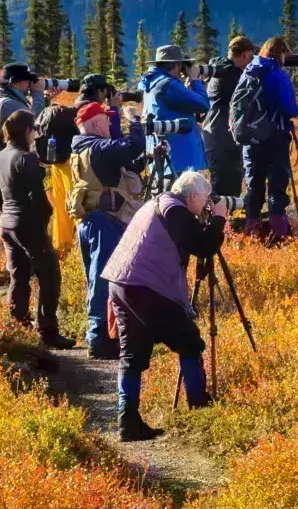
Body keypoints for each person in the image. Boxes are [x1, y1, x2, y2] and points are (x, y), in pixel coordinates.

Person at [102, 168, 226, 441]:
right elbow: (203, 245)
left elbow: (190, 239)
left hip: (121, 283)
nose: (204, 206)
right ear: (193, 195)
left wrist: (208, 220)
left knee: (132, 353)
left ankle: (128, 422)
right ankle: (199, 408)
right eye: (204, 200)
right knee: (190, 342)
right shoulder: (175, 209)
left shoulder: (158, 202)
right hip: (147, 288)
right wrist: (219, 217)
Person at [70, 96, 148, 358]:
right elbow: (133, 145)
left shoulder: (81, 149)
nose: (109, 124)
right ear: (94, 123)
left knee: (96, 277)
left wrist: (146, 160)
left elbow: (121, 166)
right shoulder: (100, 149)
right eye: (105, 119)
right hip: (104, 223)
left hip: (90, 221)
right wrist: (135, 120)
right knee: (104, 279)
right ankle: (100, 338)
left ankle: (101, 334)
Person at [0, 109, 75, 348]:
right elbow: (38, 198)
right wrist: (44, 216)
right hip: (27, 224)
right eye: (35, 130)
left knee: (18, 276)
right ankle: (48, 332)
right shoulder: (25, 159)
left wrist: (10, 213)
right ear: (27, 131)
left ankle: (19, 327)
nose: (36, 134)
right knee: (49, 275)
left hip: (6, 224)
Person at [238, 36, 298, 243]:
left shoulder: (248, 71)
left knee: (254, 187)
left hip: (251, 140)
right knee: (276, 189)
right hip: (275, 140)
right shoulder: (278, 76)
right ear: (280, 53)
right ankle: (279, 237)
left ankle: (251, 236)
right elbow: (289, 109)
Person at [37, 76, 89, 254]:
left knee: (60, 209)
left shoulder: (59, 116)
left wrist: (44, 99)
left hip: (57, 162)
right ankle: (82, 251)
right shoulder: (81, 114)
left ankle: (61, 248)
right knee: (75, 206)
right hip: (69, 163)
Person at [203, 36, 256, 201]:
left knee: (220, 184)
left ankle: (220, 222)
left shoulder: (218, 68)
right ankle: (220, 224)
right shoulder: (231, 75)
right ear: (246, 55)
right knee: (226, 189)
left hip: (213, 133)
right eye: (251, 57)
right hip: (225, 139)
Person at [146, 44, 208, 183]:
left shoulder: (153, 81)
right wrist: (195, 81)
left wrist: (186, 90)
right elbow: (203, 105)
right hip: (179, 158)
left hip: (163, 155)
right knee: (181, 201)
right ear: (175, 65)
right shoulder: (170, 85)